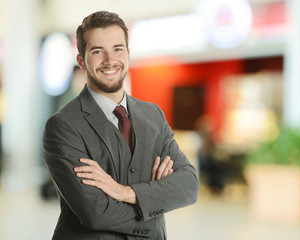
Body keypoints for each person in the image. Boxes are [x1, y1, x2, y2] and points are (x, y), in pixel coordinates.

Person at [43, 11, 199, 240]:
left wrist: (125, 192)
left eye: (117, 49)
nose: (109, 60)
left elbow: (189, 185)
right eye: (97, 51)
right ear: (81, 61)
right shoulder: (63, 125)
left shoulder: (153, 114)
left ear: (128, 54)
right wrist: (154, 205)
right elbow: (95, 212)